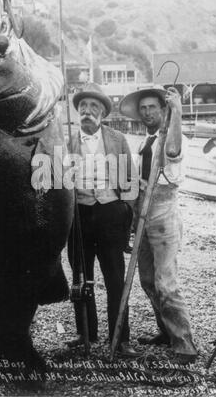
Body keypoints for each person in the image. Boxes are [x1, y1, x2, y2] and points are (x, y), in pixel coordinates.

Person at [120, 86, 197, 363]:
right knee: (148, 280)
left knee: (166, 282)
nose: (147, 112)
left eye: (153, 107)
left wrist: (177, 111)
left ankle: (184, 345)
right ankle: (166, 331)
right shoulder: (145, 142)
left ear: (163, 110)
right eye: (143, 109)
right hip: (143, 210)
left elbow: (173, 151)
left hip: (164, 210)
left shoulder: (174, 137)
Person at [67, 83, 139, 356]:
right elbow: (57, 184)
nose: (87, 112)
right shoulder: (67, 142)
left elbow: (131, 180)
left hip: (110, 214)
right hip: (80, 215)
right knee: (81, 278)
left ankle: (120, 338)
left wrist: (126, 214)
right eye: (83, 107)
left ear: (103, 113)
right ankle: (86, 333)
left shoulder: (118, 139)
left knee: (114, 278)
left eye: (93, 107)